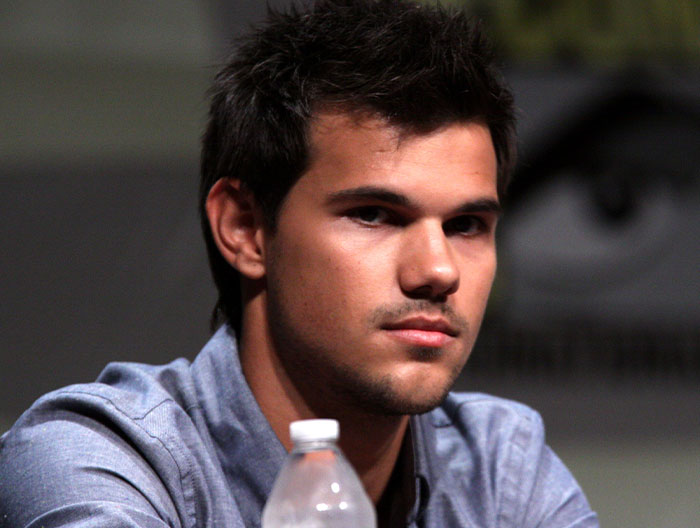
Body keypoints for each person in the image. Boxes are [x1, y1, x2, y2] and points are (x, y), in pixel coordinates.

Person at [0, 1, 598, 526]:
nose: (439, 271)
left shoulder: (500, 470)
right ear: (245, 229)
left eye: (466, 225)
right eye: (374, 215)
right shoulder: (100, 460)